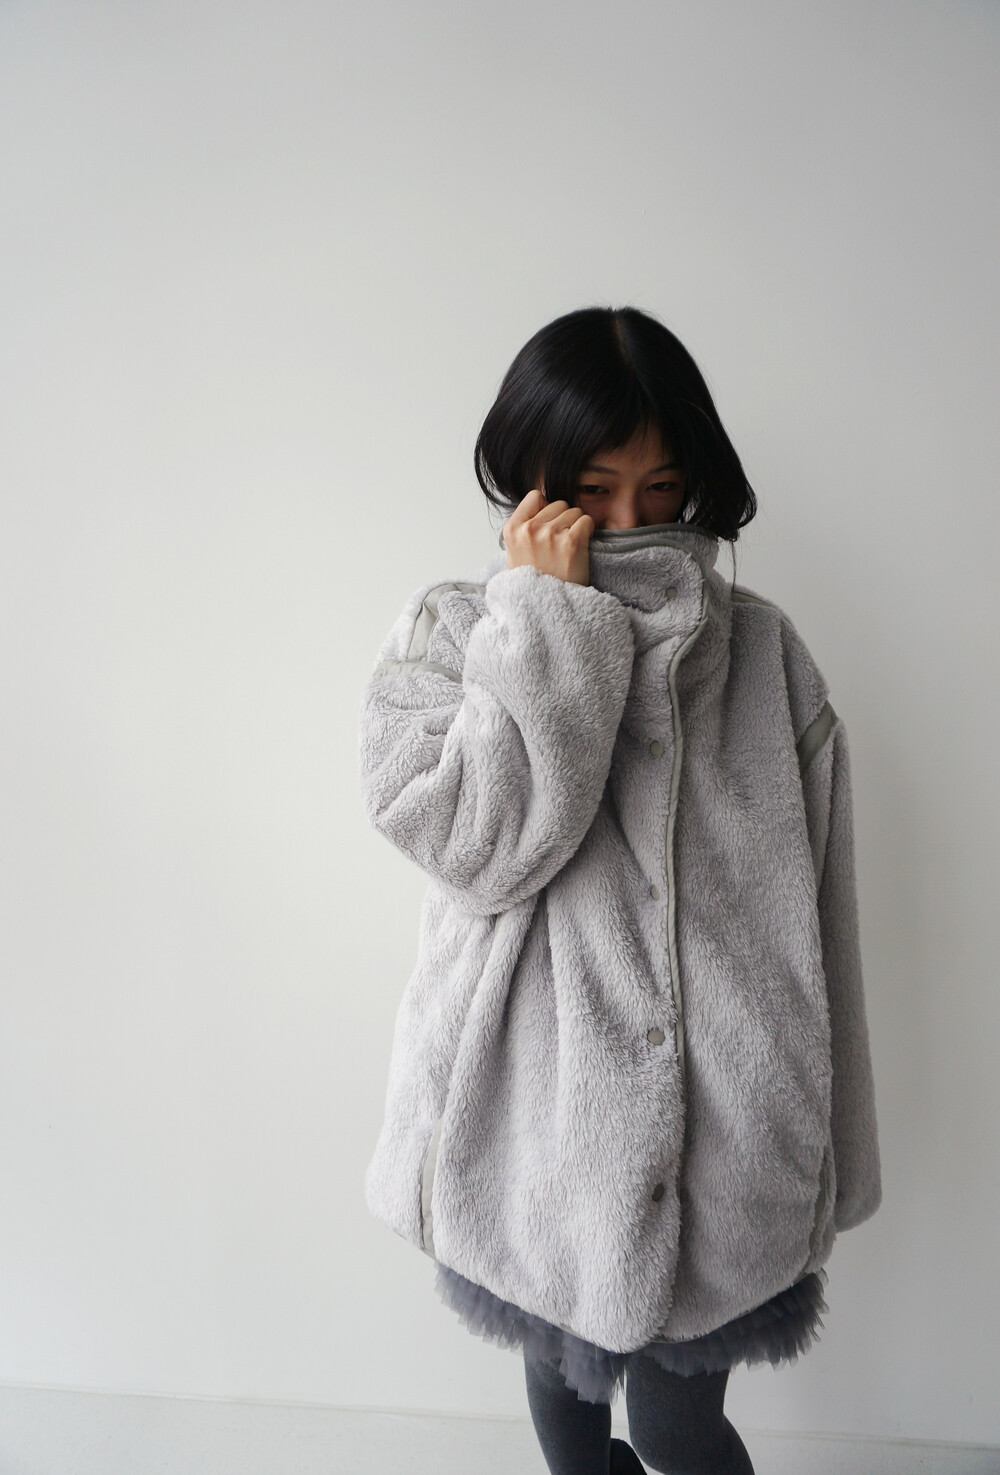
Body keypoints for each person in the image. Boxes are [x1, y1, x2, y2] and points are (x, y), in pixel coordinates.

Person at [357, 305, 882, 1474]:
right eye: (593, 490)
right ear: (530, 477)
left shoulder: (765, 656)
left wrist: (837, 1148)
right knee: (564, 1413)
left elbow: (825, 918)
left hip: (726, 1136)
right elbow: (481, 845)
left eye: (662, 488)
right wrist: (551, 626)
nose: (633, 520)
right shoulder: (452, 635)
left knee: (678, 1432)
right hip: (535, 1131)